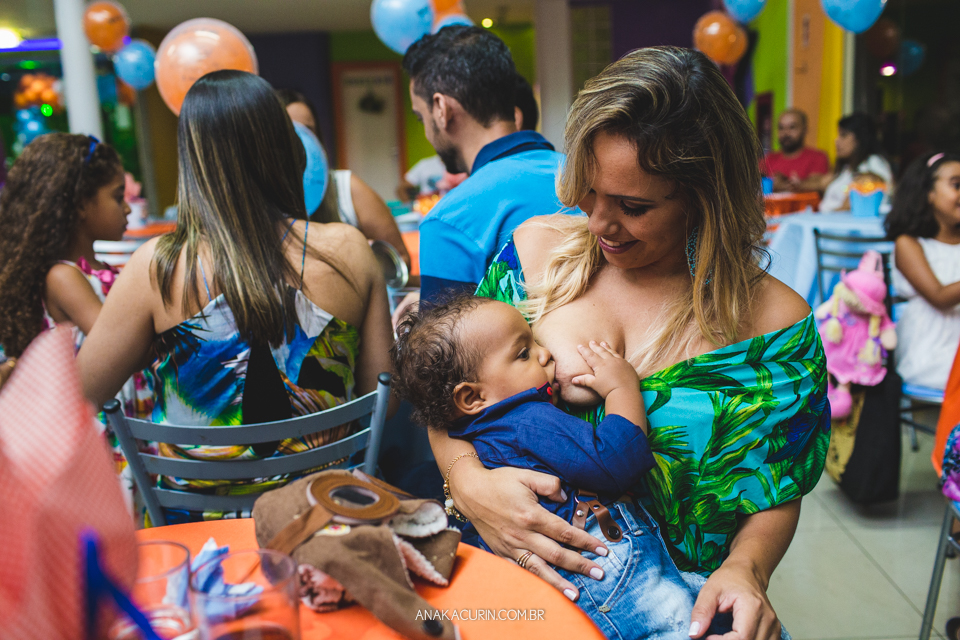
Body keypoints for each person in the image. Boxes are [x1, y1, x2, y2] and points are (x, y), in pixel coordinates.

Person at [429, 47, 828, 640]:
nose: (598, 224)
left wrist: (747, 570)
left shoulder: (771, 321)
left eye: (633, 207)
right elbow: (448, 394)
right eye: (588, 192)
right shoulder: (536, 253)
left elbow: (775, 486)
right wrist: (467, 482)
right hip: (526, 601)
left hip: (682, 611)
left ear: (705, 197)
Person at [77, 71, 395, 524]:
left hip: (194, 537)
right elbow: (385, 399)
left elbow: (80, 397)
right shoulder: (349, 250)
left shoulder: (159, 267)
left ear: (194, 162)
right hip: (328, 517)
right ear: (287, 148)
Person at [393, 294, 739, 639]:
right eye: (523, 353)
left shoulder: (478, 437)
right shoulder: (528, 420)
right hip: (605, 570)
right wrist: (622, 388)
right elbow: (616, 460)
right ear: (472, 397)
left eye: (535, 340)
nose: (545, 354)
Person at [403, 26, 567, 304]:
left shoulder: (449, 221)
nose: (427, 132)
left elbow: (446, 347)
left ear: (441, 110)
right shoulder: (586, 177)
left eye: (421, 118)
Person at [276, 88, 411, 272]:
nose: (301, 140)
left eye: (308, 130)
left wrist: (361, 258)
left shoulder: (347, 188)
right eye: (291, 130)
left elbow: (401, 261)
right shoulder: (260, 199)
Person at [885, 151, 960, 391]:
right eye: (957, 185)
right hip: (931, 347)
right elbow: (939, 297)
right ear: (928, 193)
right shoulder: (908, 244)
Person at [818, 113, 893, 212]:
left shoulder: (873, 163)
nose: (836, 140)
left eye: (843, 135)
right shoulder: (847, 167)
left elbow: (856, 205)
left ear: (860, 138)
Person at [762, 109, 830, 192]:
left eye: (792, 127)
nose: (786, 133)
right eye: (781, 128)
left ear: (805, 130)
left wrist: (792, 185)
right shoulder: (769, 159)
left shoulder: (817, 157)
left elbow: (819, 184)